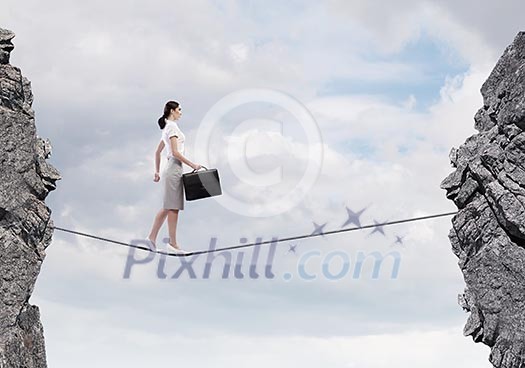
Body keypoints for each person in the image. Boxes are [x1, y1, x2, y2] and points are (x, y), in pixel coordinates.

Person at [145, 100, 202, 254]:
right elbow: (176, 152)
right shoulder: (172, 127)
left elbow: (158, 152)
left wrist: (157, 171)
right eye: (179, 109)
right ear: (172, 111)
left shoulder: (167, 128)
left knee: (168, 207)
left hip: (172, 168)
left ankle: (151, 239)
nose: (181, 112)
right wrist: (193, 165)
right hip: (174, 168)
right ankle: (173, 244)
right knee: (173, 207)